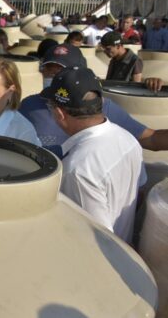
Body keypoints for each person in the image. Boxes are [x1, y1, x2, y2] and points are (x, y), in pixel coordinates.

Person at [41, 67, 142, 242]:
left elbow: (97, 241)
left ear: (59, 113)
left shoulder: (78, 169)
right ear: (100, 102)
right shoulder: (128, 139)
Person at [19, 43, 167, 158]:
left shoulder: (102, 107)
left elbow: (151, 139)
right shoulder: (29, 106)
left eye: (59, 72)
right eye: (48, 70)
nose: (52, 76)